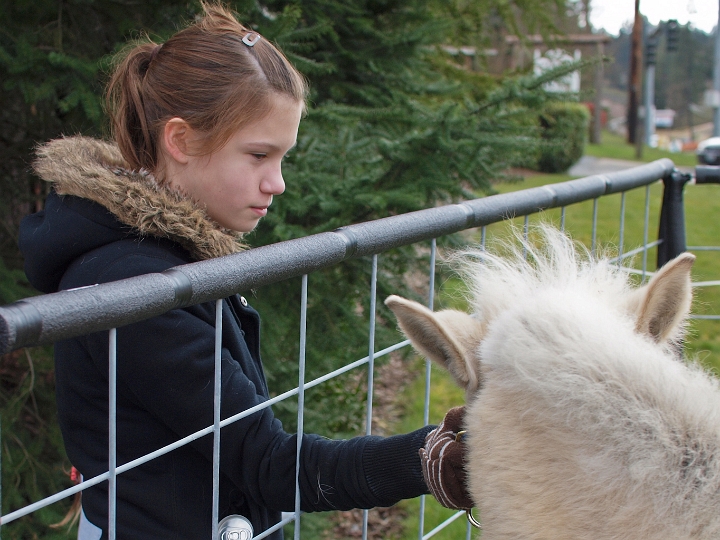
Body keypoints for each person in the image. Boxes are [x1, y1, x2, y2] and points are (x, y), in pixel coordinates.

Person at [19, 3, 470, 538]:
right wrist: (429, 460)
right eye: (258, 155)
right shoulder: (136, 287)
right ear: (181, 141)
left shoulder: (175, 258)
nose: (277, 182)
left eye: (282, 158)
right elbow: (269, 463)